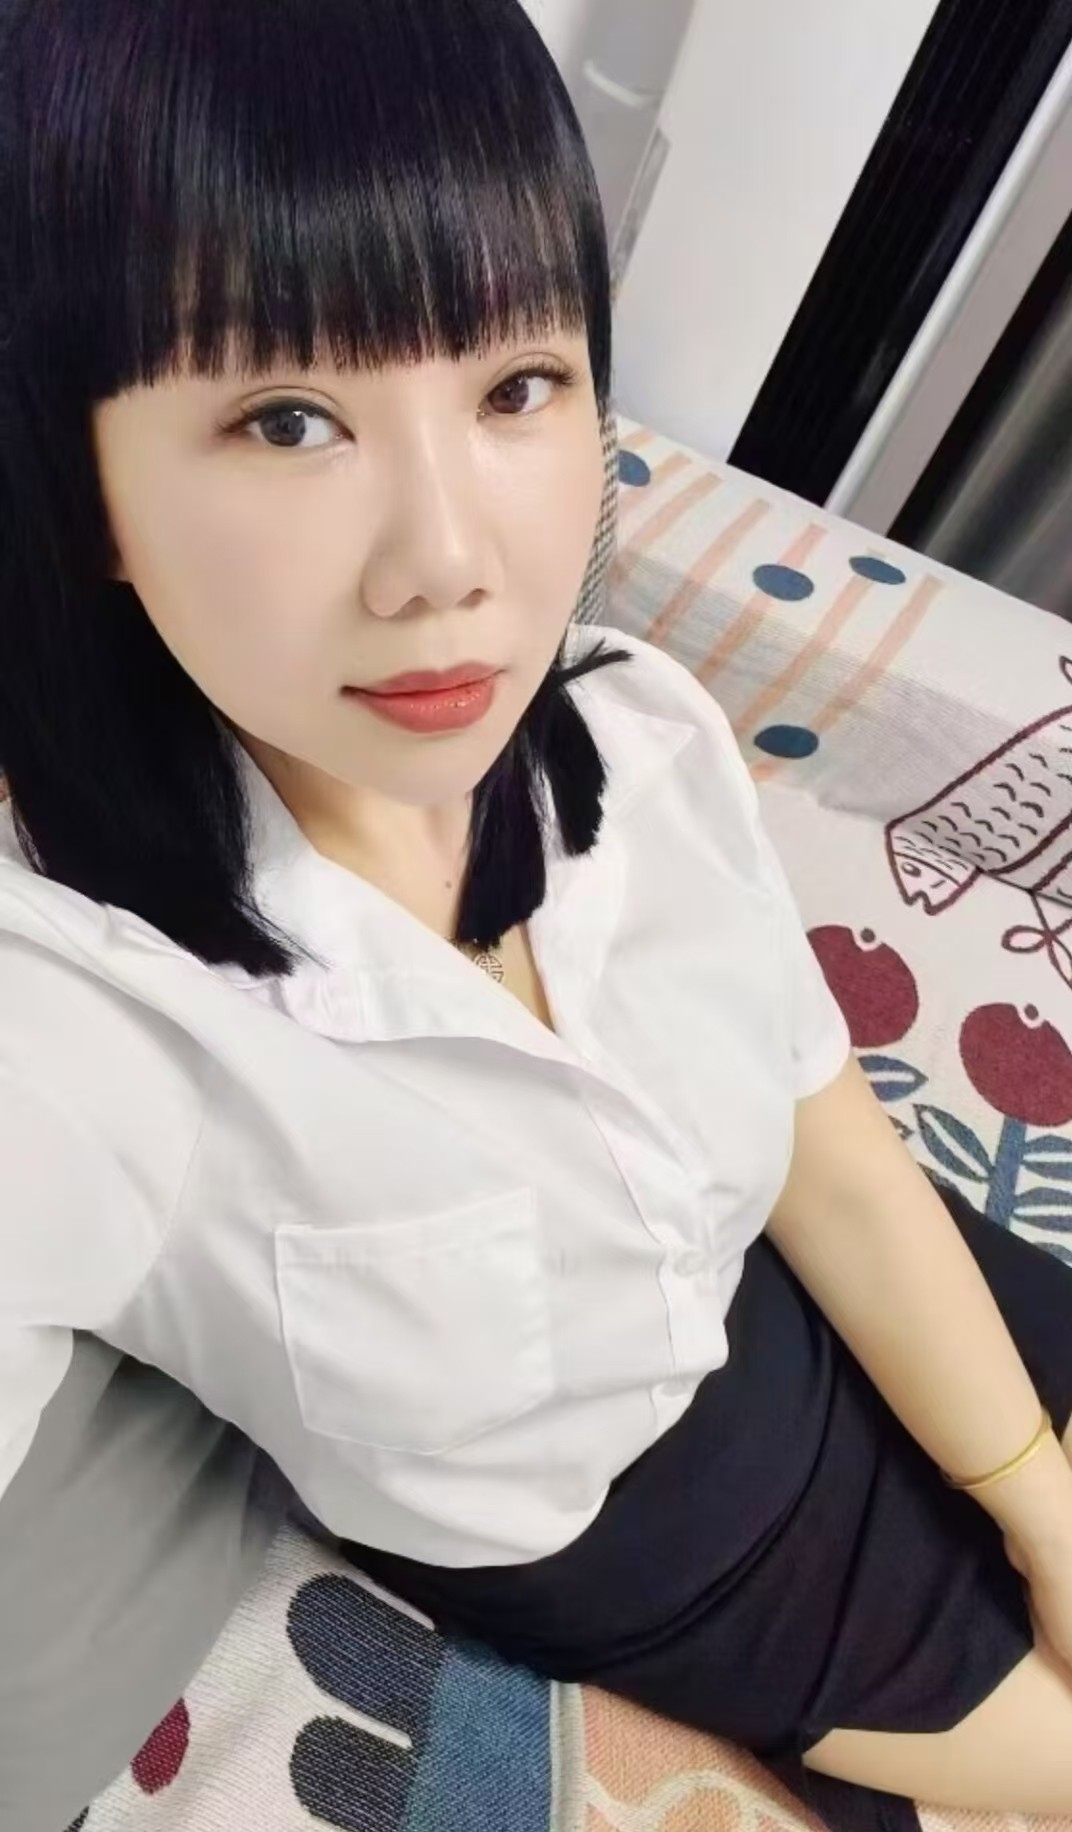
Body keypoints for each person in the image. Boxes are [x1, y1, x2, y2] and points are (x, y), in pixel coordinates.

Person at [1, 3, 1071, 1828]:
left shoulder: (640, 737)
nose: (451, 562)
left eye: (515, 387)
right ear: (77, 478)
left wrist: (1034, 1493)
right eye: (289, 417)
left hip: (847, 1271)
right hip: (682, 1545)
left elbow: (829, 1158)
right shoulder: (81, 1031)